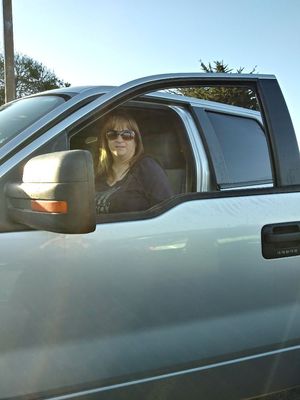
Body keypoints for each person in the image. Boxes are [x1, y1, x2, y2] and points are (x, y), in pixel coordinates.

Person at [95, 112, 173, 214]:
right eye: (112, 134)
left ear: (136, 141)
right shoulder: (98, 171)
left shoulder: (147, 167)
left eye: (127, 135)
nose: (119, 139)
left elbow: (168, 211)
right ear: (106, 140)